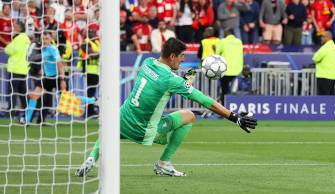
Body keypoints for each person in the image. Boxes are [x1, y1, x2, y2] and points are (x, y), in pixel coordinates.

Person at [76, 38, 257, 178]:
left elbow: (159, 82)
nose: (183, 59)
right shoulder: (172, 80)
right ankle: (164, 163)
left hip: (121, 120)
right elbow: (205, 101)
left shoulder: (147, 63)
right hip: (142, 129)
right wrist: (234, 117)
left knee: (110, 128)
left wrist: (182, 80)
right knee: (189, 116)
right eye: (181, 56)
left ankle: (91, 158)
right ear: (172, 56)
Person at [5, 22, 30, 123]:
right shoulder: (27, 39)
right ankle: (26, 113)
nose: (13, 28)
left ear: (20, 28)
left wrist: (9, 45)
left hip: (15, 69)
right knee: (23, 94)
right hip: (23, 69)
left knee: (13, 93)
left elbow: (9, 50)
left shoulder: (18, 39)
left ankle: (11, 113)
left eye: (15, 26)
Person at [40, 31, 66, 124]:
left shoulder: (53, 49)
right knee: (45, 99)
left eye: (46, 38)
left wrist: (62, 79)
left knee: (65, 95)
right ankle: (41, 120)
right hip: (47, 77)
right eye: (43, 38)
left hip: (57, 77)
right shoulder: (42, 49)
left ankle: (88, 101)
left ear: (51, 39)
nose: (44, 40)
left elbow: (60, 64)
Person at [216, 28, 244, 104]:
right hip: (237, 70)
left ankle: (224, 109)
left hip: (225, 70)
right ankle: (233, 106)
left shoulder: (222, 41)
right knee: (233, 92)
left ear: (227, 33)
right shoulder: (239, 42)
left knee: (224, 91)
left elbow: (217, 53)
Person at [78, 28, 100, 118]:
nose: (94, 33)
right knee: (90, 92)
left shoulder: (97, 42)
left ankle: (90, 111)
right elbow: (92, 54)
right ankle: (88, 111)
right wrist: (100, 53)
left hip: (96, 71)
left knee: (91, 91)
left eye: (94, 31)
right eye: (92, 31)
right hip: (88, 70)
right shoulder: (85, 43)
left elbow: (96, 54)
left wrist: (98, 53)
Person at [312, 31, 335, 96]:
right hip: (332, 76)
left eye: (323, 37)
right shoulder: (334, 47)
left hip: (324, 76)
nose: (321, 38)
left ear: (328, 38)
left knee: (323, 99)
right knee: (330, 97)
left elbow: (315, 58)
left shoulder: (326, 47)